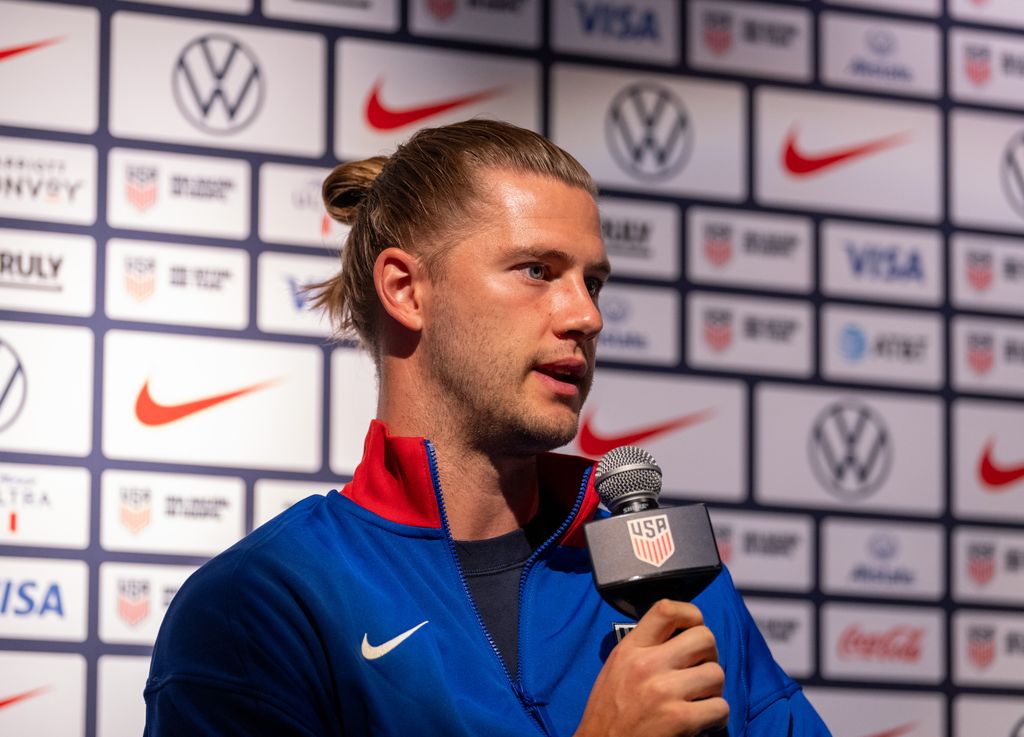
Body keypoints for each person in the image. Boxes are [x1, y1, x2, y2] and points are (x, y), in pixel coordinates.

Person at [143, 120, 831, 737]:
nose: (585, 316)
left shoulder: (675, 582)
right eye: (538, 270)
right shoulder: (265, 605)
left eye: (593, 282)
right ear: (407, 290)